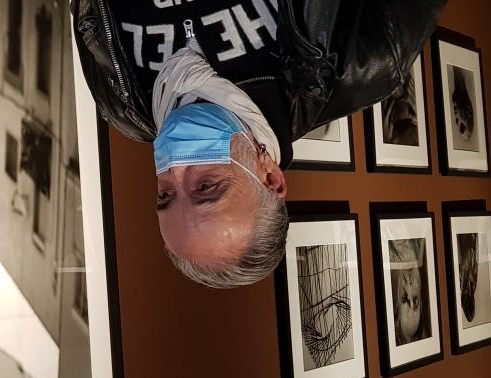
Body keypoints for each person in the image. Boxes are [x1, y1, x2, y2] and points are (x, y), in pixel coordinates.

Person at [72, 0, 447, 288]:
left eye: (164, 195)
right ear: (270, 177)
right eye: (206, 188)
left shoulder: (121, 104)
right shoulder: (366, 65)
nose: (174, 168)